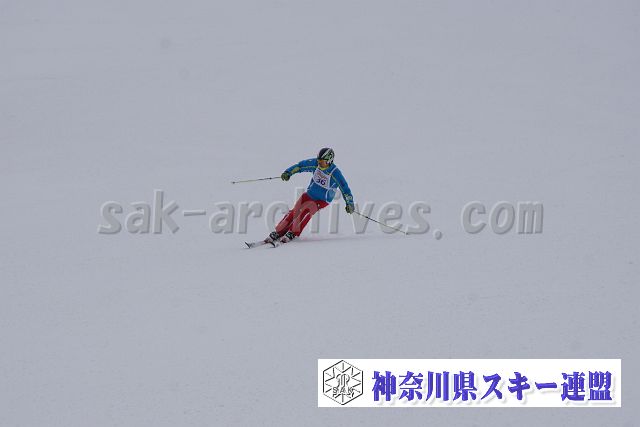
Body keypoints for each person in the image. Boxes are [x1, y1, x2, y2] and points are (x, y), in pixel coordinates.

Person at [266, 148, 355, 244]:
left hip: (322, 200)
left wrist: (349, 203)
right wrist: (288, 172)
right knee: (295, 211)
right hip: (310, 194)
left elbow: (345, 189)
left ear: (329, 161)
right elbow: (300, 166)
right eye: (319, 161)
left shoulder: (335, 173)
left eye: (322, 162)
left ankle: (293, 232)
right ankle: (278, 231)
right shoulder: (315, 164)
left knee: (307, 210)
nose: (319, 164)